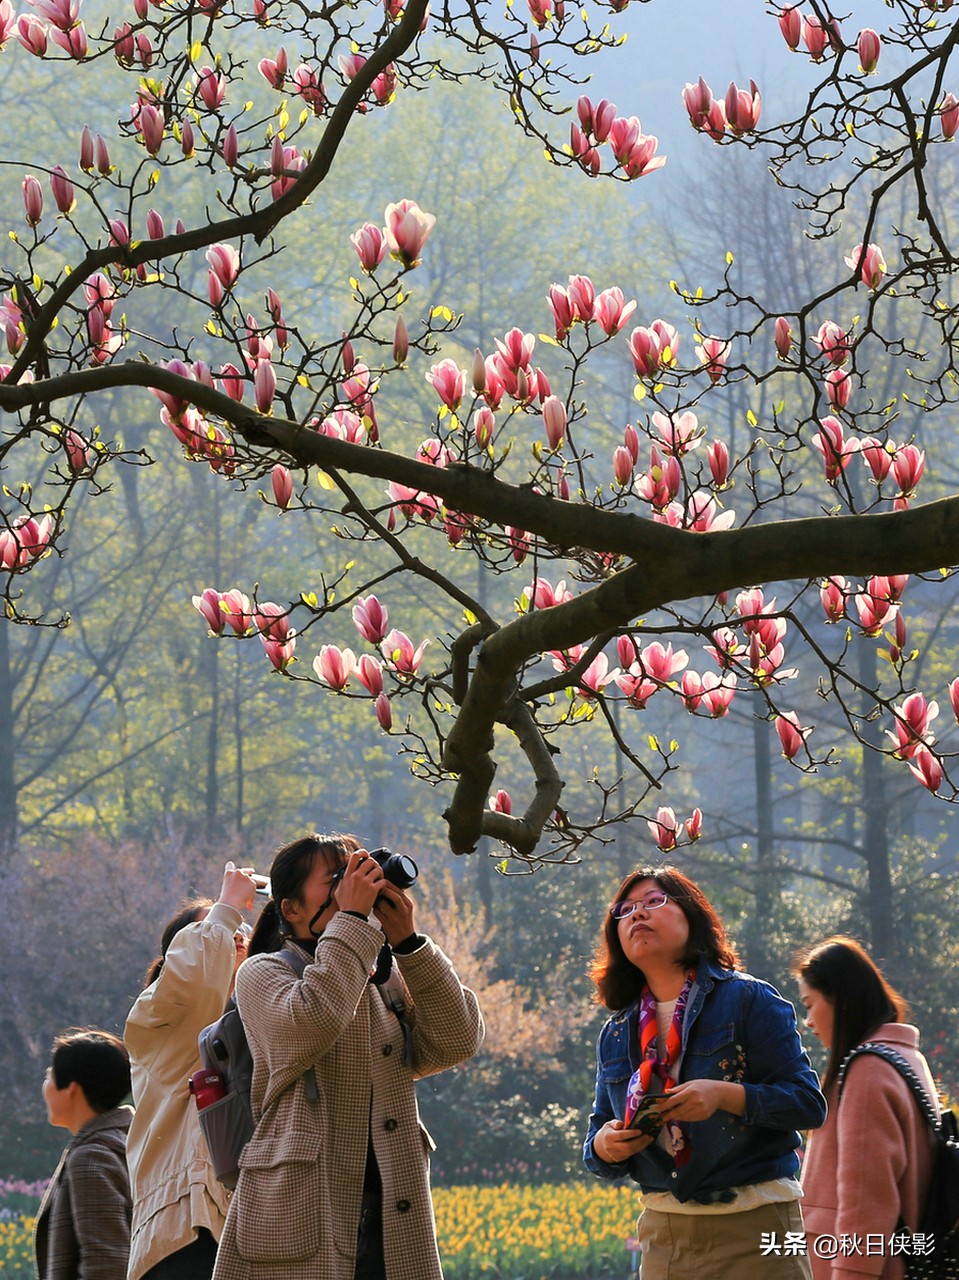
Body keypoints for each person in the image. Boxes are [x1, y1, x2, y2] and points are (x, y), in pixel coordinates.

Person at [211, 831, 485, 1280]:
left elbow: (458, 1040)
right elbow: (313, 1020)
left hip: (390, 1224)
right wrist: (355, 917)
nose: (357, 887)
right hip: (300, 1223)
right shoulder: (263, 972)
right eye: (337, 879)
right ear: (292, 909)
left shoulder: (383, 979)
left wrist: (409, 944)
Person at [584, 864, 826, 1280]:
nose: (637, 914)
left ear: (692, 915)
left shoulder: (749, 998)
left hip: (755, 1224)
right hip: (664, 1236)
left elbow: (807, 1105)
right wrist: (607, 1145)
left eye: (654, 901)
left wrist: (724, 1096)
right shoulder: (617, 1031)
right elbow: (595, 1144)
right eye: (624, 910)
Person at [125, 861, 258, 1280]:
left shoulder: (257, 1018)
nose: (236, 935)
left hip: (247, 1231)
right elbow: (194, 983)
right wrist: (226, 907)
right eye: (222, 929)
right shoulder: (159, 1015)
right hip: (184, 1225)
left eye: (244, 930)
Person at [793, 935, 939, 1280]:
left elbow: (866, 1207)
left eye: (810, 1004)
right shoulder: (906, 1058)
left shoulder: (868, 1071)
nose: (808, 1021)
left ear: (840, 1000)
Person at [35, 1028, 134, 1280]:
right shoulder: (124, 1142)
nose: (45, 1086)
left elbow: (105, 1265)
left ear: (72, 1089)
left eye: (50, 1076)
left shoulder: (91, 1158)